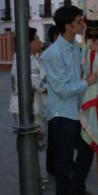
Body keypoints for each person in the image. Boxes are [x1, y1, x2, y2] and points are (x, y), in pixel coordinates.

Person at [41, 5, 98, 195]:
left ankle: (77, 190)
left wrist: (93, 54)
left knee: (87, 148)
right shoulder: (52, 54)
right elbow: (63, 90)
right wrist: (87, 83)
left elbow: (84, 70)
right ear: (68, 26)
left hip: (75, 112)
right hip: (61, 114)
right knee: (64, 161)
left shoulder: (75, 47)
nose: (82, 24)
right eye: (78, 21)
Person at [9, 27, 48, 189]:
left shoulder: (24, 58)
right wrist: (49, 86)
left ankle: (35, 176)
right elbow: (36, 84)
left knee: (31, 143)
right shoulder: (26, 60)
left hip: (25, 107)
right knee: (36, 143)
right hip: (31, 108)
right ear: (29, 43)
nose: (40, 42)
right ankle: (38, 177)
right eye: (37, 39)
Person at [45, 24, 60, 175]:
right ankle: (53, 166)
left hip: (53, 104)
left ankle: (52, 166)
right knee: (55, 138)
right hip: (54, 104)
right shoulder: (51, 54)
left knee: (53, 138)